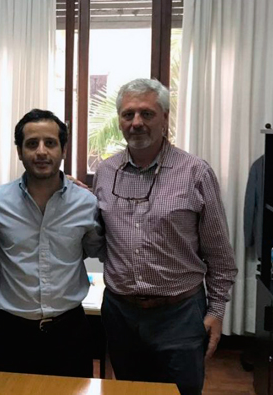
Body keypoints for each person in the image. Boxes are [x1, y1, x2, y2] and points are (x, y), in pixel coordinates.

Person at [92, 79, 237, 395]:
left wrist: (216, 312)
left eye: (147, 113)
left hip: (179, 315)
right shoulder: (105, 172)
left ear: (165, 118)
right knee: (130, 392)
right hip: (120, 314)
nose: (136, 123)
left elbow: (220, 256)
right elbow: (99, 238)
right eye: (128, 114)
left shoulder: (195, 172)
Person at [0, 109, 104, 378]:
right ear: (19, 151)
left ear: (63, 150)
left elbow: (93, 248)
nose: (41, 151)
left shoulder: (86, 203)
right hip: (11, 333)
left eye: (50, 143)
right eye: (32, 144)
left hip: (70, 333)